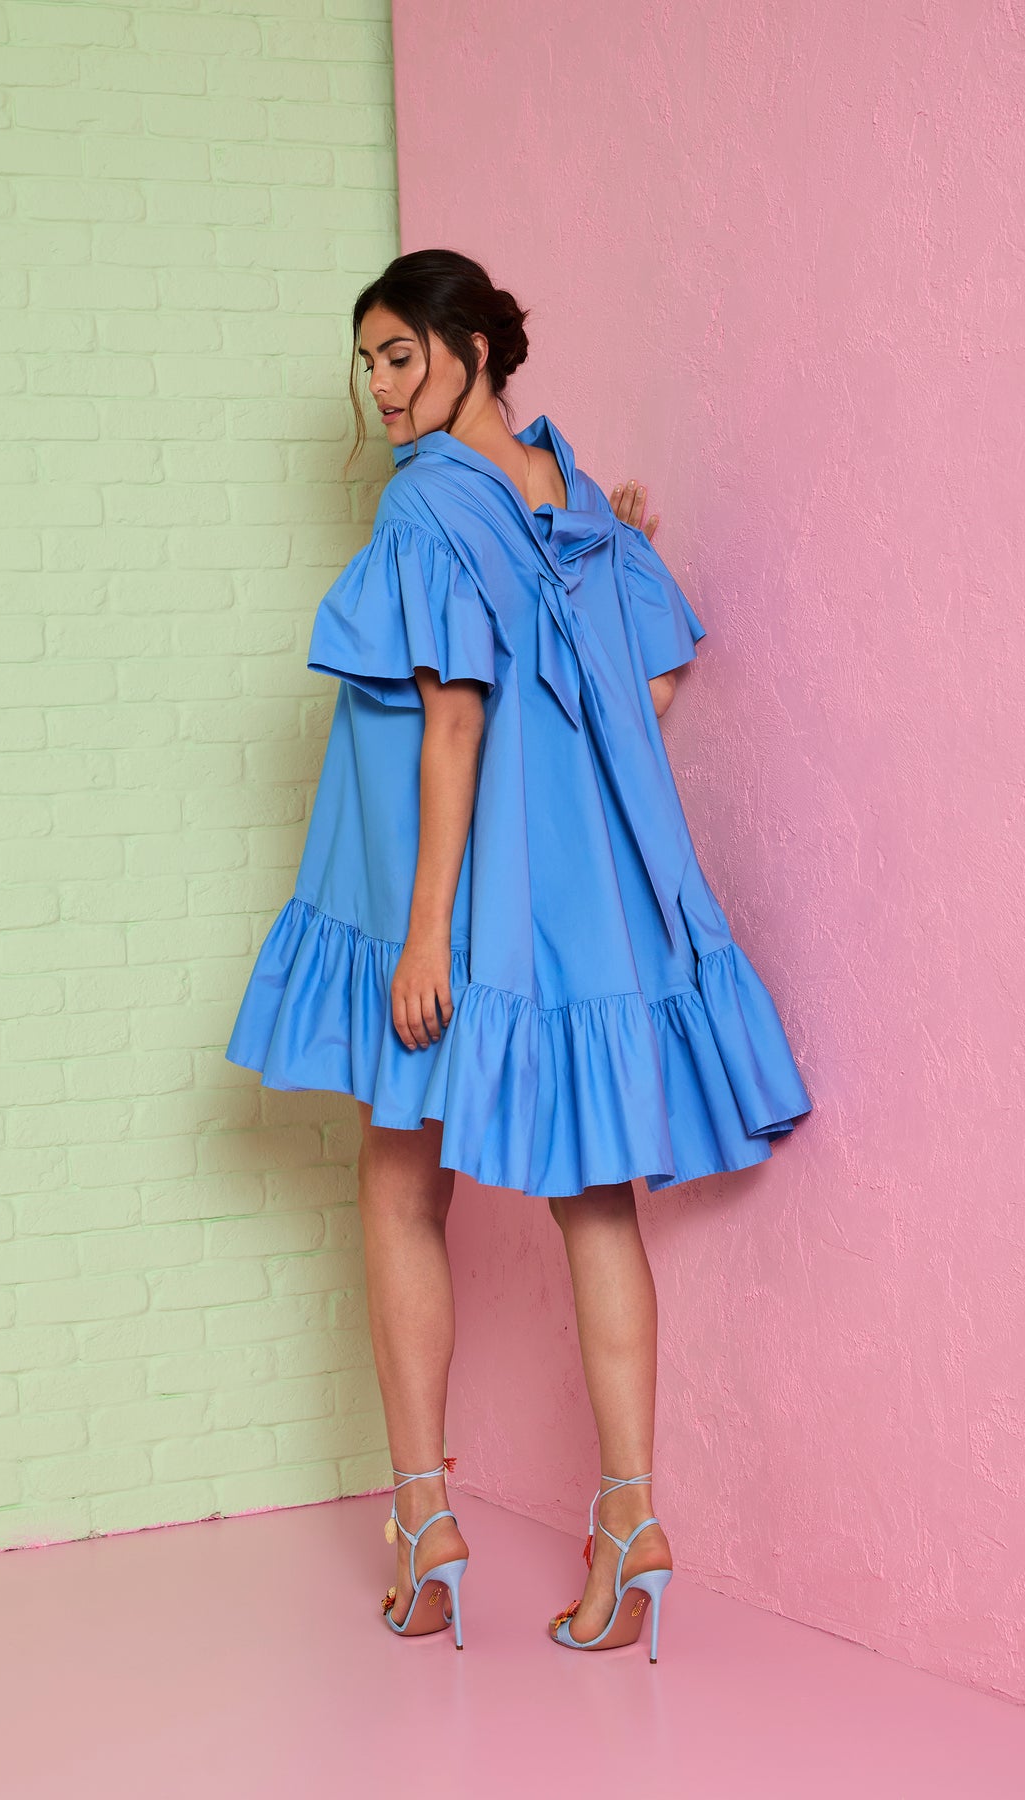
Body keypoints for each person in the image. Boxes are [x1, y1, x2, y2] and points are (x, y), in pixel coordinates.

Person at [225, 248, 813, 1657]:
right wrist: (619, 548)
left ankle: (424, 1522)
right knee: (593, 1200)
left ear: (472, 346)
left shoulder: (428, 501)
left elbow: (454, 720)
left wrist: (426, 932)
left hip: (441, 898)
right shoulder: (568, 496)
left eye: (400, 355)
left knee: (398, 1183)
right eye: (367, 362)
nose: (381, 386)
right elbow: (640, 691)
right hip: (565, 907)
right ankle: (632, 1522)